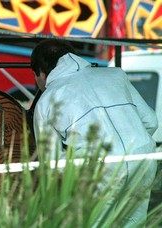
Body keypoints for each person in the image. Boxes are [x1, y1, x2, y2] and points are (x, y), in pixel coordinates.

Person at [30, 38, 158, 226]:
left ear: (41, 73)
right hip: (142, 158)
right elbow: (151, 121)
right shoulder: (115, 75)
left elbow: (52, 162)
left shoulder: (47, 100)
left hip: (99, 169)